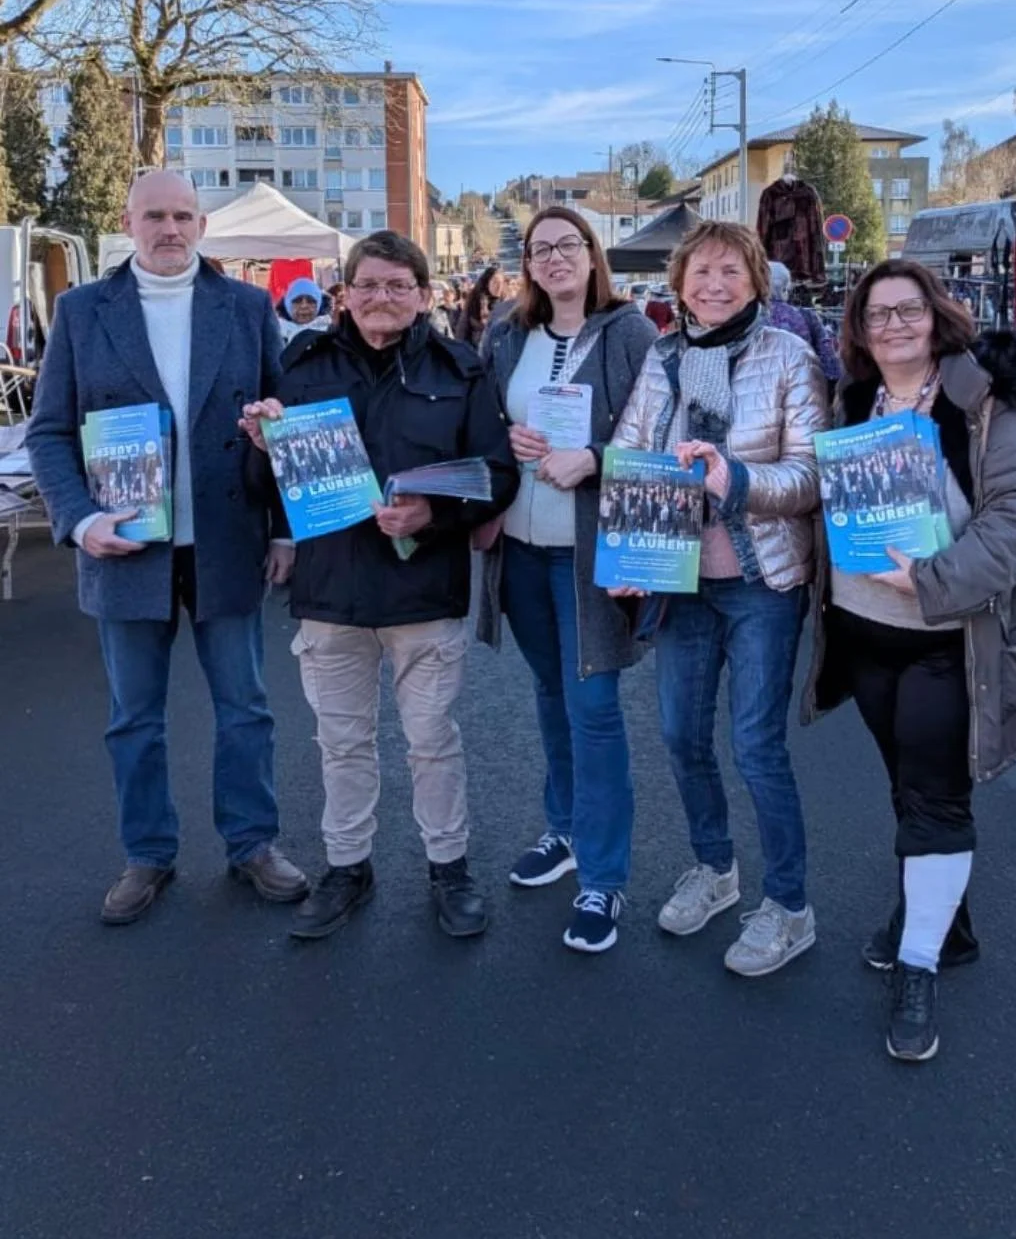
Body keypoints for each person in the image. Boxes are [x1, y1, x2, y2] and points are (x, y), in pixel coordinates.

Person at [801, 259, 1016, 1063]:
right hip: (865, 630)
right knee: (908, 786)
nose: (893, 326)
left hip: (951, 637)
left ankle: (918, 963)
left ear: (937, 314)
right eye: (876, 314)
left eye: (907, 310)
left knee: (936, 799)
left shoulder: (992, 397)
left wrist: (933, 579)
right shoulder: (851, 400)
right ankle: (942, 924)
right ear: (858, 328)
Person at [27, 171, 307, 925]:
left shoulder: (246, 309)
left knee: (245, 708)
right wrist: (82, 521)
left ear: (203, 226)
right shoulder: (82, 311)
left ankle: (253, 843)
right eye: (155, 215)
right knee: (133, 718)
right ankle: (147, 853)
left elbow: (279, 422)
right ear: (128, 222)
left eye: (184, 214)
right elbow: (50, 432)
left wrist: (283, 527)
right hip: (125, 548)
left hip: (226, 540)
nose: (170, 228)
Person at [240, 231, 519, 942]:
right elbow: (261, 487)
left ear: (425, 297)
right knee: (342, 744)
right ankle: (347, 868)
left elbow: (497, 476)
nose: (382, 298)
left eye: (399, 286)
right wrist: (260, 446)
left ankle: (448, 868)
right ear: (345, 293)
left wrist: (433, 514)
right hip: (331, 590)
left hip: (423, 588)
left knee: (432, 741)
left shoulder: (462, 370)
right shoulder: (299, 366)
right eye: (368, 285)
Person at [611, 220, 830, 977]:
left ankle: (789, 905)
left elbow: (810, 476)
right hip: (680, 580)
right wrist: (628, 547)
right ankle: (714, 867)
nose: (713, 284)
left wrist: (734, 479)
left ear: (756, 283)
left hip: (762, 578)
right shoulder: (663, 356)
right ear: (677, 285)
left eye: (730, 271)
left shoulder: (790, 356)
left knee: (757, 748)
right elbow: (633, 455)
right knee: (679, 735)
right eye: (699, 271)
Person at [478, 206, 656, 954]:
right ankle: (566, 829)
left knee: (595, 707)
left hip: (589, 553)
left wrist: (597, 459)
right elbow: (480, 422)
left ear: (592, 255)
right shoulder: (505, 335)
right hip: (520, 547)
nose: (553, 258)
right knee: (551, 695)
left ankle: (604, 877)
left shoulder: (630, 332)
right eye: (539, 248)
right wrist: (504, 435)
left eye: (567, 245)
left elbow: (663, 435)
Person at [766, 260, 841, 383]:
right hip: (804, 384)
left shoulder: (747, 319)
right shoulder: (807, 316)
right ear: (786, 287)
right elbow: (829, 362)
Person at [456, 263, 505, 348]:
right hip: (475, 352)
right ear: (487, 283)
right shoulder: (474, 301)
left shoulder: (505, 304)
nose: (499, 286)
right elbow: (462, 331)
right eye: (495, 282)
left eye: (501, 282)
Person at [278, 277, 329, 342]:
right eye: (297, 301)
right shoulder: (275, 334)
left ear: (319, 304)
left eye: (310, 301)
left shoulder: (330, 333)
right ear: (287, 304)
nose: (304, 306)